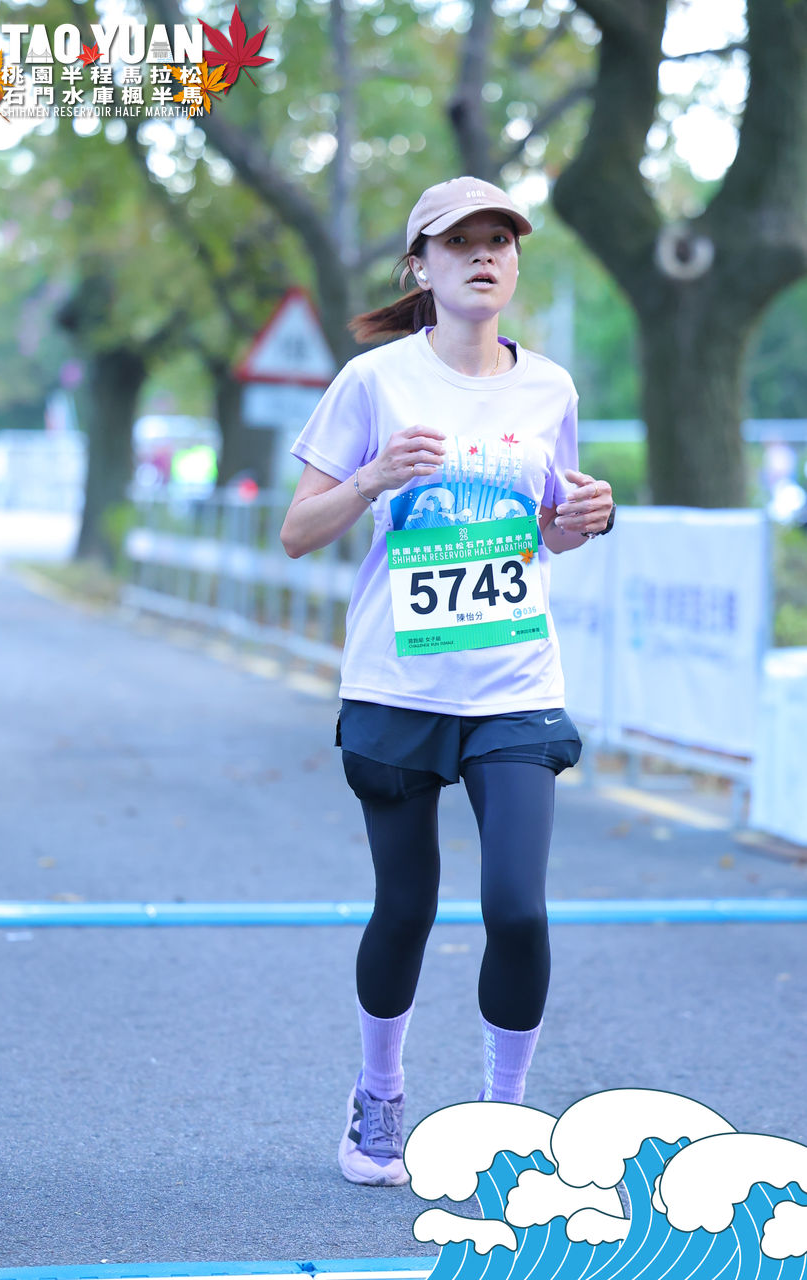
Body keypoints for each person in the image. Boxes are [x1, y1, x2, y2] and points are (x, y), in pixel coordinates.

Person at [280, 176, 615, 1187]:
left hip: (514, 685)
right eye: (458, 242)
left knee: (516, 908)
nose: (482, 256)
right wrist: (372, 478)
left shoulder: (548, 388)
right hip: (398, 686)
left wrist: (582, 518)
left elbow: (547, 530)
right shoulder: (373, 382)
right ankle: (379, 1094)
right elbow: (297, 531)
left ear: (513, 264)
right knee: (407, 906)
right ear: (418, 267)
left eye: (498, 241)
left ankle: (501, 1121)